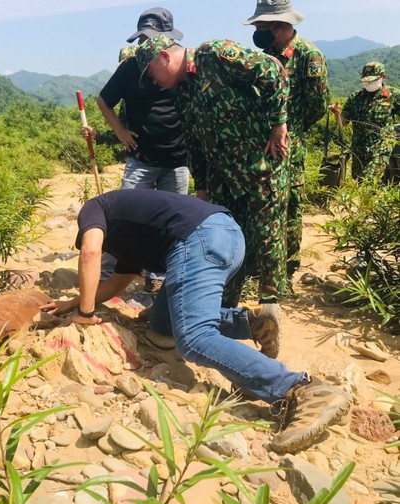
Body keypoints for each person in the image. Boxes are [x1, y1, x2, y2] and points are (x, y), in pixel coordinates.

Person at [44, 189, 351, 453]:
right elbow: (114, 285)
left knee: (194, 338)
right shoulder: (130, 237)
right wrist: (72, 303)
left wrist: (84, 315)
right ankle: (250, 322)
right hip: (226, 236)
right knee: (162, 327)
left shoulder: (94, 209)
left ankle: (301, 389)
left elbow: (90, 252)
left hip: (199, 239)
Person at [135, 34, 289, 310]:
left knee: (268, 238)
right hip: (223, 180)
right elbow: (194, 142)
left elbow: (272, 70)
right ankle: (226, 307)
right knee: (228, 242)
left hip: (259, 166)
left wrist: (278, 122)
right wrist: (203, 186)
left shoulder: (214, 55)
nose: (152, 80)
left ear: (165, 57)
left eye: (151, 73)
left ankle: (269, 308)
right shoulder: (181, 92)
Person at [82, 7, 190, 292]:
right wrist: (118, 131)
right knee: (124, 219)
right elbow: (104, 100)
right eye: (143, 37)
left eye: (151, 36)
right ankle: (106, 277)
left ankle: (159, 277)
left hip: (178, 159)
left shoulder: (185, 66)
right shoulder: (131, 67)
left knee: (172, 225)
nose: (146, 43)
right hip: (141, 158)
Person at [244, 0, 329, 279]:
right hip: (261, 144)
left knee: (290, 203)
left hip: (290, 144)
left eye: (261, 26)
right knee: (264, 202)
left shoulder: (308, 56)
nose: (257, 31)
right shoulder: (266, 56)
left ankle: (288, 267)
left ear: (279, 26)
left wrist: (291, 130)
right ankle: (263, 262)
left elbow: (318, 104)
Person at [330, 62, 400, 180]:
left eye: (373, 80)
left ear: (383, 77)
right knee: (359, 182)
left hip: (381, 149)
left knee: (369, 180)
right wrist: (337, 114)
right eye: (366, 80)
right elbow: (343, 123)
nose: (369, 83)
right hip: (359, 151)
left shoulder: (393, 95)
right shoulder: (356, 98)